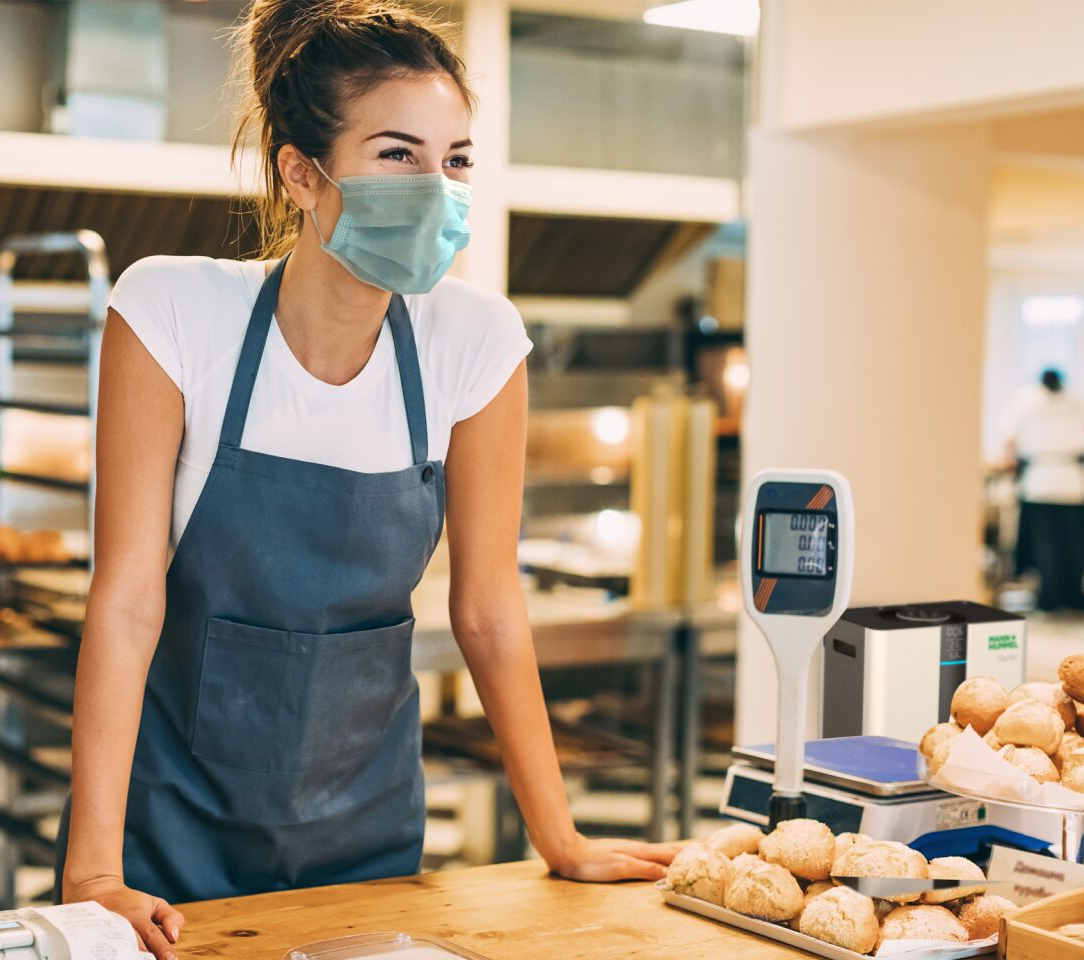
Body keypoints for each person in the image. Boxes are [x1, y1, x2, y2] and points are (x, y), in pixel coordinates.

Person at [54, 3, 676, 957]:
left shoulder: (476, 342)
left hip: (369, 830)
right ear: (303, 173)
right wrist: (96, 872)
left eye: (456, 159)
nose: (437, 189)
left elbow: (490, 609)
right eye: (398, 155)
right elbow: (129, 600)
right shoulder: (172, 312)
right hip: (168, 831)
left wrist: (561, 835)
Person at [1004, 367, 1084, 612]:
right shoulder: (1068, 400)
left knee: (1050, 545)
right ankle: (1064, 595)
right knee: (1066, 545)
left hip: (1049, 480)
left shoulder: (1030, 400)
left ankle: (1053, 597)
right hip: (1061, 479)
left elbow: (1009, 438)